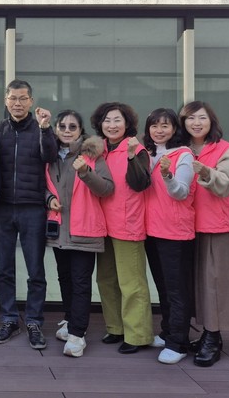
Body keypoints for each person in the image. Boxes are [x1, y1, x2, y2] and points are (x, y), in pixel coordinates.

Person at [0, 79, 56, 350]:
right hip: (2, 207)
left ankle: (34, 322)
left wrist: (46, 128)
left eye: (23, 98)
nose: (17, 103)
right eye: (13, 98)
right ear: (6, 100)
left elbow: (50, 156)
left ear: (31, 101)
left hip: (33, 208)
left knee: (35, 269)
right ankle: (9, 319)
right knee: (4, 268)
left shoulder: (41, 128)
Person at [179, 101, 229, 368]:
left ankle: (214, 337)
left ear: (211, 121)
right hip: (183, 226)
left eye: (202, 118)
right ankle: (206, 331)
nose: (196, 123)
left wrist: (206, 172)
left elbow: (226, 185)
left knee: (214, 283)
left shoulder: (225, 149)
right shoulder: (180, 149)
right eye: (190, 118)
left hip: (216, 226)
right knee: (195, 284)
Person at [46, 109, 113, 358]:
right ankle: (70, 319)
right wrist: (49, 198)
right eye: (62, 126)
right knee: (65, 278)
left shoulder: (92, 156)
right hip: (58, 230)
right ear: (55, 129)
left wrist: (86, 172)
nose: (67, 131)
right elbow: (42, 185)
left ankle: (77, 333)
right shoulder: (50, 155)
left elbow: (107, 189)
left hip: (84, 229)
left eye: (72, 127)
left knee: (81, 282)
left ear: (80, 130)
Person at [90, 102, 154, 355]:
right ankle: (115, 327)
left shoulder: (136, 148)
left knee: (131, 283)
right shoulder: (99, 149)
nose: (112, 125)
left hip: (128, 224)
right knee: (106, 279)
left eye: (117, 120)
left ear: (127, 124)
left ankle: (137, 334)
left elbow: (140, 183)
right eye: (107, 120)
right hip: (102, 224)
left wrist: (131, 156)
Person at [142, 108, 196, 364]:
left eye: (165, 125)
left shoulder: (183, 154)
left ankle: (179, 342)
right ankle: (168, 332)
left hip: (175, 232)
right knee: (163, 286)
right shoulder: (149, 154)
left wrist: (167, 175)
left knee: (177, 289)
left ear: (175, 129)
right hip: (152, 231)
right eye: (154, 125)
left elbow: (180, 192)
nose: (159, 130)